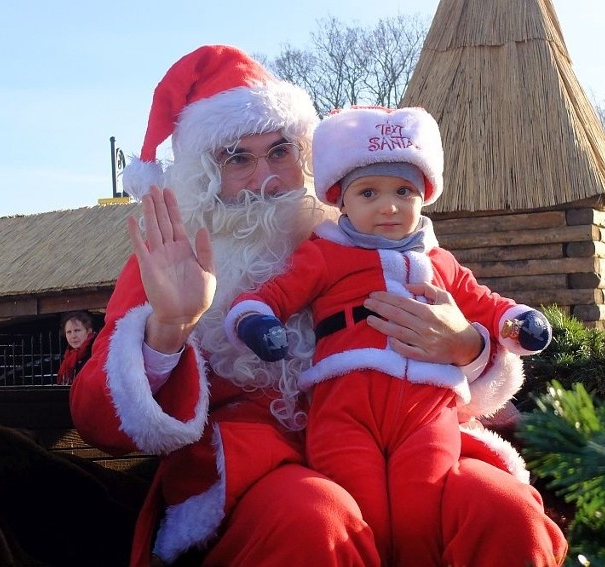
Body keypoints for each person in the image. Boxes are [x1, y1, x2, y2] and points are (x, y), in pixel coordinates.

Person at [69, 44, 567, 566]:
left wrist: (466, 346)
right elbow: (98, 422)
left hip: (412, 434)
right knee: (316, 523)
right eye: (237, 157)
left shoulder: (362, 230)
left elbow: (471, 306)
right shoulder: (167, 258)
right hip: (258, 461)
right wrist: (169, 326)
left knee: (505, 514)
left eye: (281, 151)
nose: (267, 177)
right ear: (201, 173)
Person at [224, 105, 553, 565]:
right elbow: (274, 294)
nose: (389, 205)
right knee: (362, 508)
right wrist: (257, 322)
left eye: (404, 190)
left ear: (424, 195)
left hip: (426, 407)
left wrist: (518, 321)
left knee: (425, 505)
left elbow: (482, 300)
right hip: (345, 404)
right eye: (369, 192)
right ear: (342, 201)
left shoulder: (439, 262)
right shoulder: (325, 254)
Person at [57, 310, 96, 385]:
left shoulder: (95, 351)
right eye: (69, 332)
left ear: (89, 331)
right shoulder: (69, 354)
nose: (73, 336)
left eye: (77, 330)